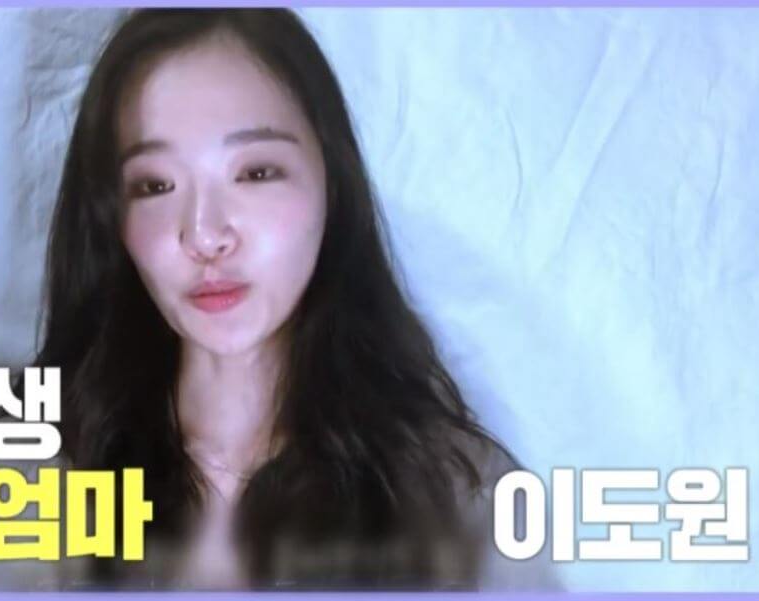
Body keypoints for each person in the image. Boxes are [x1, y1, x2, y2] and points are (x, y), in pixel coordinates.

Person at [32, 7, 557, 590]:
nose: (205, 235)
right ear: (111, 219)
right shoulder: (24, 475)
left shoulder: (464, 499)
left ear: (331, 183)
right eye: (155, 185)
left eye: (256, 173)